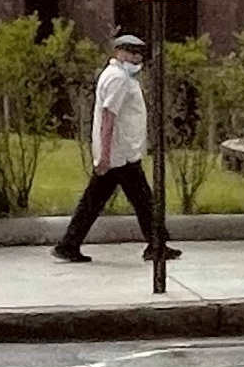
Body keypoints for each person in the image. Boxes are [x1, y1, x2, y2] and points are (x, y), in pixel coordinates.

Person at [53, 34, 180, 262]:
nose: (135, 58)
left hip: (119, 152)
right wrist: (105, 154)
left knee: (98, 201)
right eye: (131, 53)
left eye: (138, 54)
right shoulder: (118, 79)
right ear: (119, 52)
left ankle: (69, 244)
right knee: (141, 200)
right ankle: (156, 244)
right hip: (120, 154)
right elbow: (109, 117)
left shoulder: (118, 77)